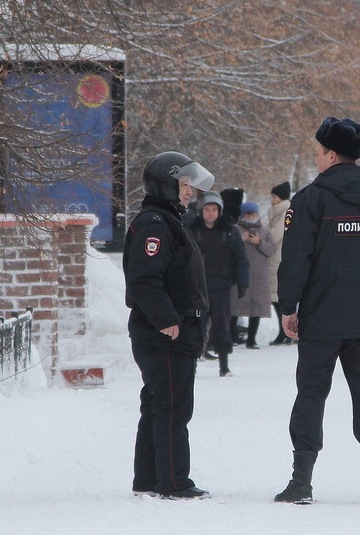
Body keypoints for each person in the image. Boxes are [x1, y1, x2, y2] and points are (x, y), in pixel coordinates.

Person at [274, 116, 360, 505]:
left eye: (317, 154)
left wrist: (288, 306)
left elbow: (295, 258)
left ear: (332, 155)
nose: (315, 160)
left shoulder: (311, 199)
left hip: (321, 317)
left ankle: (301, 483)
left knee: (311, 394)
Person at [123, 151, 214, 500]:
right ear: (167, 185)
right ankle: (174, 482)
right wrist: (166, 321)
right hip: (164, 335)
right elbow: (145, 280)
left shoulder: (168, 220)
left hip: (172, 333)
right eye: (184, 185)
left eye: (191, 185)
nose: (190, 192)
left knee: (159, 403)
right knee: (173, 407)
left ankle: (148, 477)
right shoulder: (155, 224)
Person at [190, 190, 250, 376]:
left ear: (220, 211)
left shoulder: (230, 231)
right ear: (201, 211)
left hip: (222, 287)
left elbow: (241, 259)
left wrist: (243, 283)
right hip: (198, 288)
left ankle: (224, 364)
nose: (211, 213)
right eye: (207, 209)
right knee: (195, 325)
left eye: (214, 209)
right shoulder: (192, 231)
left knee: (221, 326)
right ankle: (191, 363)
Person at [230, 201, 276, 350]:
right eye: (248, 214)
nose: (251, 217)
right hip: (240, 275)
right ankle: (231, 337)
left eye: (253, 214)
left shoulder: (265, 231)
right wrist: (241, 240)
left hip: (259, 277)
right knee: (235, 307)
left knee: (256, 310)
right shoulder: (235, 230)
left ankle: (251, 339)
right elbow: (228, 248)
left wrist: (259, 242)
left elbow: (272, 250)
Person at [268, 181, 292, 346]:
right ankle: (283, 332)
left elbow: (275, 236)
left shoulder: (285, 213)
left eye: (274, 196)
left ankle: (285, 332)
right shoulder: (276, 212)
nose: (271, 200)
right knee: (276, 299)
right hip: (274, 258)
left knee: (279, 299)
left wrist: (260, 239)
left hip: (278, 259)